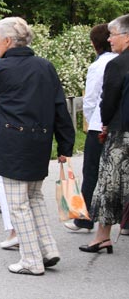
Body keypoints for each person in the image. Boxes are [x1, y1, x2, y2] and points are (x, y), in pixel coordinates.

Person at [0, 17, 74, 275]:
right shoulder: (45, 66)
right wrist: (66, 144)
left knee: (18, 203)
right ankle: (47, 249)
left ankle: (31, 259)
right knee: (34, 197)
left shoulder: (0, 68)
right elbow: (59, 106)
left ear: (8, 41)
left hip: (11, 142)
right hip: (39, 140)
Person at [81, 14, 129, 253]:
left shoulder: (118, 64)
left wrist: (105, 123)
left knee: (109, 184)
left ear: (127, 36)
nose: (110, 39)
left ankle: (102, 235)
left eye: (113, 35)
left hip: (122, 132)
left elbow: (106, 101)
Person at [64, 24, 116, 232]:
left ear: (94, 44)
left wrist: (89, 120)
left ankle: (83, 218)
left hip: (98, 124)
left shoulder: (99, 65)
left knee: (91, 171)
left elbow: (91, 98)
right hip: (118, 124)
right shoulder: (121, 61)